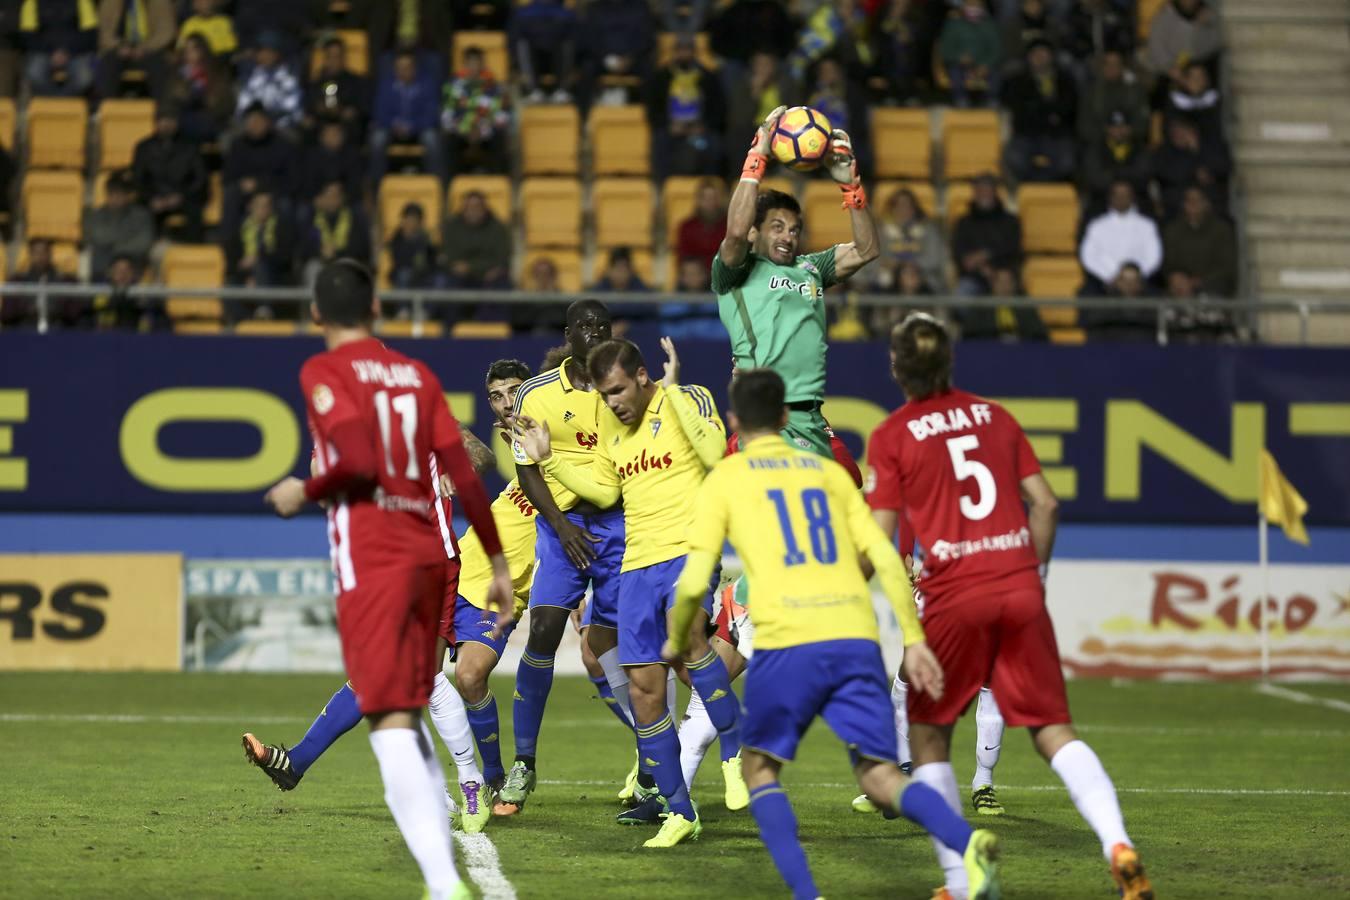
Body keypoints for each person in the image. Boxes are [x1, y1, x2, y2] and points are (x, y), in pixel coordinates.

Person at [664, 367, 1001, 898]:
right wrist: (912, 638)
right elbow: (887, 559)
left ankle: (806, 893)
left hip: (788, 636)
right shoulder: (825, 471)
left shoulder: (726, 478)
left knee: (759, 768)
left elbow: (691, 579)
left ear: (733, 419)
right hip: (854, 636)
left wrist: (675, 633)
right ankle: (965, 838)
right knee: (879, 776)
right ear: (784, 416)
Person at [866, 313, 1153, 900]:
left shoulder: (893, 434)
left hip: (952, 595)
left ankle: (958, 882)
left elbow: (880, 538)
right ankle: (1117, 844)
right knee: (1052, 729)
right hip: (1019, 585)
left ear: (896, 367)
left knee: (928, 738)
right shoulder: (997, 417)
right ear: (950, 362)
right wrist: (1035, 578)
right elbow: (1044, 506)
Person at [257, 258, 511, 900]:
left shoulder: (325, 374)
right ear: (375, 310)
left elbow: (356, 462)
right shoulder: (417, 378)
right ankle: (470, 791)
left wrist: (304, 487)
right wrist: (500, 562)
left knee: (391, 707)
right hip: (437, 556)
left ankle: (443, 872)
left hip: (376, 560)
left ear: (317, 315)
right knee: (416, 684)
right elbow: (469, 463)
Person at [513, 337, 746, 848]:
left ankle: (734, 755)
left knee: (689, 646)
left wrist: (678, 390)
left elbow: (715, 455)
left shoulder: (687, 399)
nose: (611, 401)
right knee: (644, 689)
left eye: (617, 390)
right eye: (604, 393)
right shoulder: (613, 432)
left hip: (688, 551)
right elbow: (604, 491)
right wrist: (549, 460)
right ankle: (679, 812)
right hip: (636, 566)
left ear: (643, 377)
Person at [490, 299, 629, 817]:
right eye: (584, 325)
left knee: (621, 644)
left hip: (619, 526)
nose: (593, 332)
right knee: (545, 629)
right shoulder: (537, 393)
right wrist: (562, 525)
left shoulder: (624, 384)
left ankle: (653, 757)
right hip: (561, 526)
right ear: (568, 333)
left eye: (601, 325)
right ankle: (523, 763)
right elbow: (526, 467)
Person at [714, 106, 876, 469]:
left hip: (810, 416)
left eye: (793, 229)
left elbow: (867, 250)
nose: (788, 236)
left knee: (848, 485)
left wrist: (851, 185)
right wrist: (757, 156)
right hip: (767, 415)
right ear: (756, 232)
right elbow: (735, 232)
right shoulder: (737, 272)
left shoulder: (811, 268)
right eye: (777, 227)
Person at [647, 32, 725, 179]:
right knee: (660, 142)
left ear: (694, 52)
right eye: (680, 50)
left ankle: (711, 185)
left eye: (687, 50)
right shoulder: (661, 77)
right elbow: (653, 109)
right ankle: (662, 188)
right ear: (674, 52)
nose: (683, 54)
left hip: (699, 132)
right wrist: (669, 126)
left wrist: (703, 126)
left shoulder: (707, 77)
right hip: (671, 130)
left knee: (713, 146)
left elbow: (718, 109)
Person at [1001, 38, 1077, 183]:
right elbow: (1018, 110)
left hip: (1056, 134)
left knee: (1067, 162)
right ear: (1028, 57)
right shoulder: (1017, 81)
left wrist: (1038, 108)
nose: (1040, 57)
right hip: (1026, 133)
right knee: (1015, 160)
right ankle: (1035, 184)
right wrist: (1049, 112)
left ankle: (1047, 183)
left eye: (1044, 53)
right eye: (1035, 53)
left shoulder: (1065, 80)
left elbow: (1068, 108)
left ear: (1051, 56)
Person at [132, 102, 208, 239]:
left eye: (170, 119)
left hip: (184, 196)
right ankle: (144, 256)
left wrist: (181, 196)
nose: (166, 123)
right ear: (156, 122)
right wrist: (151, 198)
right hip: (155, 197)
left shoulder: (190, 146)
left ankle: (192, 252)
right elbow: (137, 179)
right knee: (140, 211)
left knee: (195, 210)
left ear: (177, 122)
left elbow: (200, 178)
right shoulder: (143, 147)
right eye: (162, 120)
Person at [370, 50, 446, 184]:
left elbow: (432, 114)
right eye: (399, 68)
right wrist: (395, 124)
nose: (403, 71)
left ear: (415, 68)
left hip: (419, 127)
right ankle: (377, 185)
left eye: (407, 67)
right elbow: (379, 113)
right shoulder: (386, 85)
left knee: (432, 139)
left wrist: (412, 126)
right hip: (392, 127)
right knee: (377, 139)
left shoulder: (427, 84)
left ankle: (436, 183)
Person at [1079, 179, 1161, 290]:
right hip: (1105, 282)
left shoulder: (1147, 225)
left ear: (1132, 197)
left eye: (1125, 195)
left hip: (1140, 282)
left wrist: (1134, 277)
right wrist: (1111, 277)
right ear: (1110, 198)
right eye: (1117, 195)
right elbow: (1089, 257)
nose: (1121, 198)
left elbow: (1154, 257)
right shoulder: (1097, 225)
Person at [441, 46, 511, 175]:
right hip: (460, 131)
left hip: (486, 132)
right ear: (464, 64)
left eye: (477, 63)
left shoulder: (493, 86)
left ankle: (497, 180)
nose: (474, 67)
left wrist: (483, 128)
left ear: (483, 64)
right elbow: (446, 116)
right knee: (447, 140)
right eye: (470, 63)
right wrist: (463, 128)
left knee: (501, 138)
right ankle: (452, 183)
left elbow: (502, 117)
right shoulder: (452, 85)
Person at [952, 174, 1021, 296]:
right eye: (979, 190)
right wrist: (981, 269)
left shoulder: (1010, 222)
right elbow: (959, 253)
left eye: (987, 190)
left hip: (1003, 275)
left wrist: (986, 256)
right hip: (973, 277)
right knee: (962, 294)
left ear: (994, 192)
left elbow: (1012, 249)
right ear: (974, 193)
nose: (983, 194)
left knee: (1006, 284)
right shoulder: (963, 223)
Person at [1162, 184, 1237, 298]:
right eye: (1189, 201)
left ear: (1206, 203)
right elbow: (1168, 262)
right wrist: (1176, 277)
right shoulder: (1172, 230)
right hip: (1179, 289)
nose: (1193, 205)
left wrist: (1198, 282)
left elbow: (1227, 267)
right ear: (1184, 204)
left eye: (1198, 200)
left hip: (1213, 289)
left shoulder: (1222, 230)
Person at [95, 0, 173, 100]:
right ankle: (105, 109)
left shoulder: (160, 2)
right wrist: (119, 45)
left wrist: (146, 47)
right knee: (108, 62)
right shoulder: (110, 2)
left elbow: (167, 32)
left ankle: (163, 112)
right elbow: (103, 33)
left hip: (150, 51)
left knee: (159, 63)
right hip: (120, 51)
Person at [83, 168, 155, 277]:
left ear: (128, 195)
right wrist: (125, 241)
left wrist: (117, 249)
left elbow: (144, 242)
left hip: (134, 264)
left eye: (120, 193)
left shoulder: (141, 215)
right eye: (112, 194)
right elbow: (97, 236)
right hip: (104, 265)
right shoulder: (96, 215)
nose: (116, 198)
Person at [875, 186, 946, 293]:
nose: (903, 210)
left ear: (914, 208)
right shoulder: (881, 230)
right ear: (892, 208)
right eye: (899, 206)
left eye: (908, 206)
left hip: (924, 278)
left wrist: (914, 266)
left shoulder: (928, 228)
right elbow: (874, 259)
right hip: (888, 279)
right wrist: (894, 266)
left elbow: (936, 257)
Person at [20, 0, 97, 97]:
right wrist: (51, 52)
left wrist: (68, 51)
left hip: (76, 53)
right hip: (43, 53)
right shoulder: (32, 2)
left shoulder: (83, 1)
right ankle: (58, 101)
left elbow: (90, 33)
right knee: (34, 73)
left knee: (85, 77)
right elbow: (28, 34)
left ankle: (59, 100)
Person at [167, 35, 234, 144]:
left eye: (193, 48)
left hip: (213, 121)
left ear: (203, 50)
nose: (188, 53)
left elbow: (226, 102)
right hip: (184, 123)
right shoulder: (177, 74)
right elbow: (172, 100)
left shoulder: (217, 72)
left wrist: (212, 102)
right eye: (186, 49)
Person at [441, 191, 512, 293]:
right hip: (460, 277)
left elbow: (501, 258)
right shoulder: (452, 226)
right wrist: (459, 267)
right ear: (463, 209)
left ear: (484, 209)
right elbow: (450, 256)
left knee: (503, 285)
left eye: (477, 207)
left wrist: (472, 267)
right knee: (445, 283)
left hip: (490, 277)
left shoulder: (498, 228)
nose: (473, 211)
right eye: (469, 207)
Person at [300, 181, 372, 279]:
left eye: (335, 196)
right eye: (328, 196)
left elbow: (360, 248)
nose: (332, 200)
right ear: (322, 198)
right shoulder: (313, 219)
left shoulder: (353, 219)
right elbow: (306, 247)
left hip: (345, 261)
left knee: (351, 267)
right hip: (321, 261)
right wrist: (320, 252)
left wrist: (336, 253)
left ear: (342, 198)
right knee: (312, 268)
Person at [304, 34, 370, 141]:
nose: (334, 61)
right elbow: (309, 105)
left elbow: (363, 107)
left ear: (344, 58)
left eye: (338, 56)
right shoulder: (316, 81)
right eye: (330, 56)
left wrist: (351, 111)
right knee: (306, 127)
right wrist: (318, 109)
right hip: (321, 124)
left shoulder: (356, 81)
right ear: (325, 58)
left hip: (346, 125)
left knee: (356, 127)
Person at [938, 0, 1002, 108]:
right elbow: (945, 49)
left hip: (983, 64)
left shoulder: (990, 25)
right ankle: (960, 100)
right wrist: (959, 57)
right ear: (963, 5)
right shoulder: (953, 24)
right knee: (955, 72)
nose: (974, 8)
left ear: (983, 6)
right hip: (960, 64)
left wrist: (985, 64)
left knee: (996, 72)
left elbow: (997, 49)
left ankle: (991, 100)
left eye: (977, 4)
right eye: (970, 4)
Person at [234, 31, 302, 130]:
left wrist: (268, 121)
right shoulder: (252, 77)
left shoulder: (289, 78)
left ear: (278, 54)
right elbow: (242, 107)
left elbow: (293, 110)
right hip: (253, 128)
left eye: (270, 52)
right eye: (262, 52)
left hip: (281, 128)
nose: (266, 56)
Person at [675, 179, 726, 271]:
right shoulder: (687, 227)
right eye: (705, 198)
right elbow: (683, 259)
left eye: (713, 198)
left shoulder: (728, 226)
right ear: (698, 200)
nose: (710, 202)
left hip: (722, 275)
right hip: (694, 278)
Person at [388, 201, 440, 290]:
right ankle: (404, 304)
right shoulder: (397, 237)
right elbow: (398, 261)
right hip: (404, 272)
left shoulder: (426, 237)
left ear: (419, 222)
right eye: (408, 218)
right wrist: (408, 240)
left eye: (414, 219)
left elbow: (432, 260)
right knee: (403, 275)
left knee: (439, 279)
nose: (410, 222)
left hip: (424, 273)